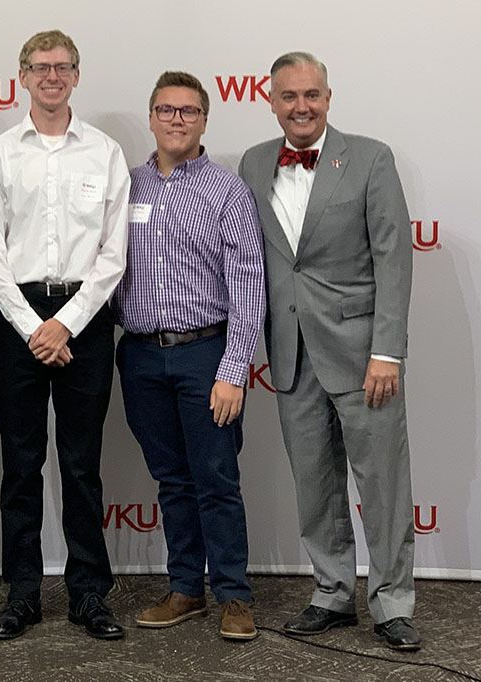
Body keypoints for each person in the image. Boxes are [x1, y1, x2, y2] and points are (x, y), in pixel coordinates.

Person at [238, 52, 418, 650]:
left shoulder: (370, 157)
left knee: (383, 485)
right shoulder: (254, 162)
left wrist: (387, 350)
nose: (302, 106)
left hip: (364, 354)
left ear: (329, 97)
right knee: (314, 484)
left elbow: (393, 257)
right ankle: (332, 592)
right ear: (271, 102)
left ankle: (392, 602)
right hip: (291, 354)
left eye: (311, 94)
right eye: (289, 96)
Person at [0, 29, 129, 641]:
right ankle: (22, 594)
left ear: (76, 75)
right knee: (20, 464)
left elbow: (113, 253)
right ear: (23, 76)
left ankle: (88, 592)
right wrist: (34, 326)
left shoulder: (105, 152)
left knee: (82, 464)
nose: (52, 76)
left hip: (83, 319)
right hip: (18, 316)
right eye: (41, 67)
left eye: (62, 66)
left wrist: (65, 323)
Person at [113, 71, 265, 641]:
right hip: (140, 357)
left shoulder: (227, 190)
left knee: (216, 478)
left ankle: (233, 594)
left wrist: (233, 371)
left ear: (204, 120)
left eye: (188, 111)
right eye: (166, 110)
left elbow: (249, 286)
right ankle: (185, 588)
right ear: (151, 117)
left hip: (206, 353)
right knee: (172, 480)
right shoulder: (125, 187)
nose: (177, 119)